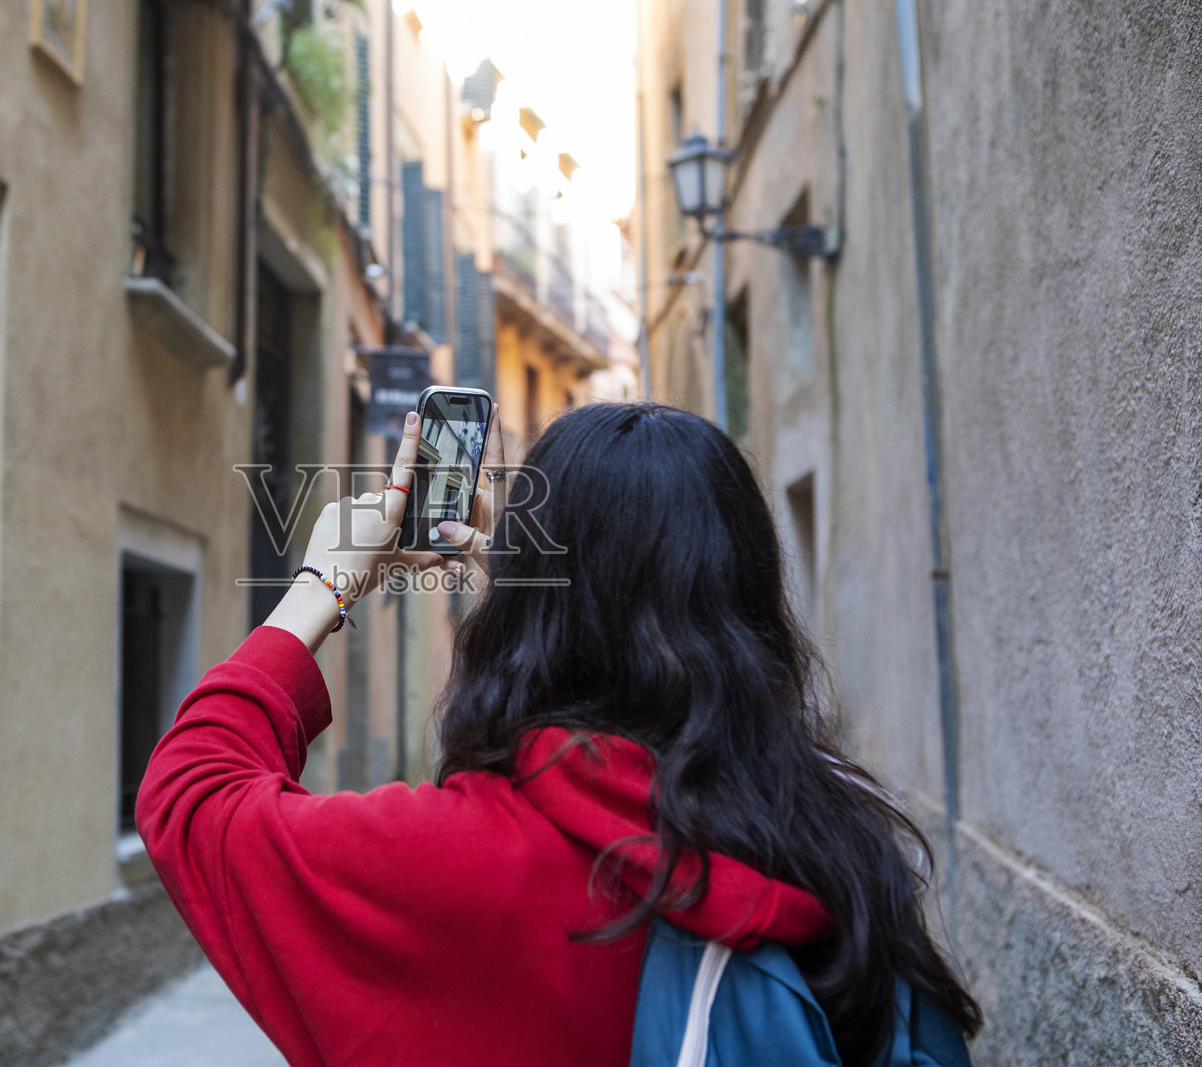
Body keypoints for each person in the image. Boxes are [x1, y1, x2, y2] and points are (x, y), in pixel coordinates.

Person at [136, 402, 982, 1066]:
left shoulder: (460, 858)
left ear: (530, 611)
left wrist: (325, 584)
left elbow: (190, 793)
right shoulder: (835, 830)